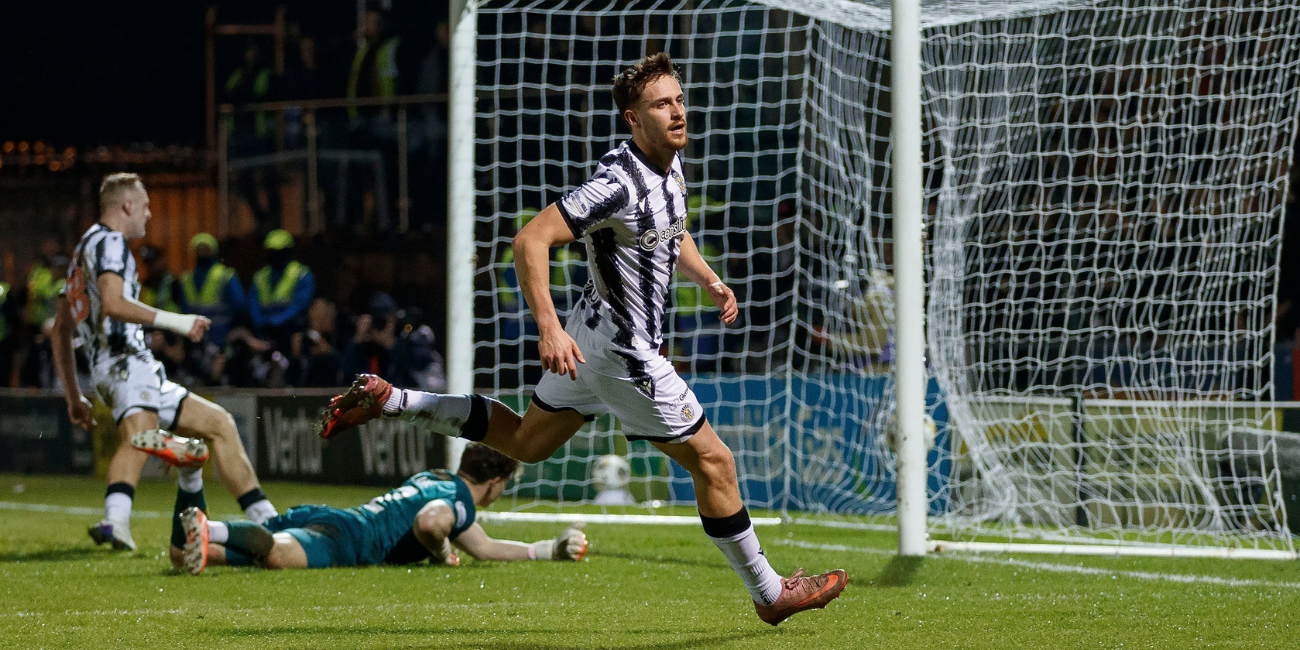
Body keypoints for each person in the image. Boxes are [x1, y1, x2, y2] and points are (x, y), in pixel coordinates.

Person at [319, 53, 846, 626]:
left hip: (593, 339)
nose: (677, 112)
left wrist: (710, 278)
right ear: (632, 119)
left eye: (678, 99)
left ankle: (393, 400)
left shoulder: (669, 165)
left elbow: (673, 233)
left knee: (524, 442)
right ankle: (770, 593)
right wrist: (547, 325)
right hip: (623, 353)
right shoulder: (617, 184)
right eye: (660, 104)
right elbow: (530, 240)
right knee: (715, 463)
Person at [50, 173, 278, 552]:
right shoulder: (110, 243)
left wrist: (74, 396)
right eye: (145, 206)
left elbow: (60, 331)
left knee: (218, 424)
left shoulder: (82, 250)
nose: (150, 214)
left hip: (122, 367)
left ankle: (266, 518)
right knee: (142, 436)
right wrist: (177, 321)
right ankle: (115, 521)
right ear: (126, 206)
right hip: (124, 362)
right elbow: (113, 303)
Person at [169, 442, 587, 574]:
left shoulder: (438, 477)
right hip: (347, 539)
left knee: (185, 555)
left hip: (332, 518)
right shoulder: (457, 502)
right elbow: (430, 523)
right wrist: (441, 553)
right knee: (275, 553)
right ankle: (213, 527)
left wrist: (548, 549)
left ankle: (191, 484)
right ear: (495, 483)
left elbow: (484, 547)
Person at [176, 233, 246, 348]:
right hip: (195, 337)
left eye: (205, 249)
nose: (202, 253)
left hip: (222, 335)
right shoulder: (186, 279)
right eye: (199, 249)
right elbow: (183, 308)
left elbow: (239, 305)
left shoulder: (225, 276)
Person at [248, 229, 314, 347]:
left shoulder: (301, 273)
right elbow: (253, 303)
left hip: (291, 333)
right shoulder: (261, 276)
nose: (274, 255)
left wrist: (278, 321)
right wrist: (261, 322)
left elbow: (301, 304)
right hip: (264, 334)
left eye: (278, 251)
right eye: (271, 251)